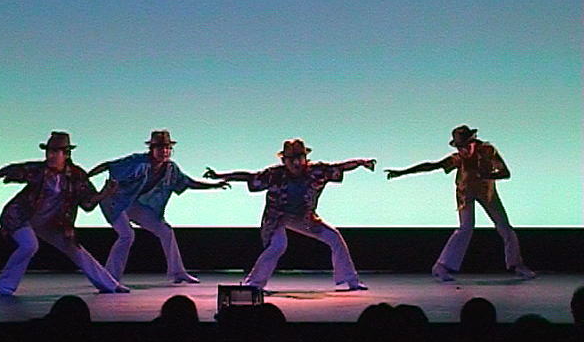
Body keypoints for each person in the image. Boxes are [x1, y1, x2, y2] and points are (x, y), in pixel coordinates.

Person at [204, 138, 374, 291]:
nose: (296, 163)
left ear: (305, 158)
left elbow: (340, 167)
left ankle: (351, 280)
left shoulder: (316, 171)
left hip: (304, 217)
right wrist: (221, 176)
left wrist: (361, 163)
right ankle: (254, 283)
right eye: (291, 159)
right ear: (284, 161)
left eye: (300, 158)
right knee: (278, 245)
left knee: (334, 237)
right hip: (277, 217)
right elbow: (248, 176)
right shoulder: (275, 175)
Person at [0, 131, 129, 295]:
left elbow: (87, 203)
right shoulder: (39, 170)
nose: (50, 156)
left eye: (55, 152)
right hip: (21, 216)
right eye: (48, 151)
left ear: (66, 154)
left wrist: (104, 193)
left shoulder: (76, 176)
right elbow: (13, 169)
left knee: (75, 250)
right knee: (29, 245)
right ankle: (5, 286)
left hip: (52, 222)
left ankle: (110, 285)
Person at [385, 125, 536, 282]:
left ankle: (517, 265)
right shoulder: (458, 158)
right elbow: (432, 166)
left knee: (504, 227)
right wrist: (402, 172)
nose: (462, 150)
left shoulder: (487, 151)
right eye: (459, 147)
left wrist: (488, 175)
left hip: (488, 194)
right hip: (465, 194)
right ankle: (441, 267)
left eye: (464, 146)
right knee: (465, 228)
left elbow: (505, 173)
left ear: (472, 142)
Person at [88, 130, 230, 284]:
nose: (165, 151)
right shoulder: (138, 162)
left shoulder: (170, 169)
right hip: (113, 200)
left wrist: (213, 185)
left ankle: (178, 272)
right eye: (161, 148)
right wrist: (86, 177)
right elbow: (108, 166)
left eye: (168, 148)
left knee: (165, 231)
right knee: (127, 235)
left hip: (132, 203)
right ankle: (110, 278)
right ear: (152, 149)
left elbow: (188, 183)